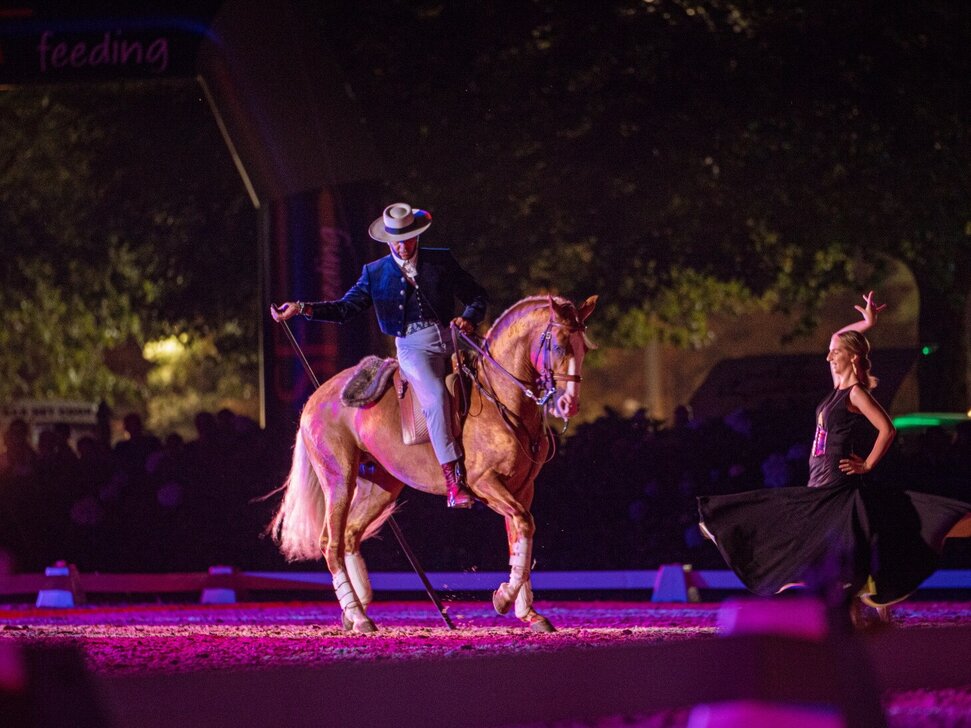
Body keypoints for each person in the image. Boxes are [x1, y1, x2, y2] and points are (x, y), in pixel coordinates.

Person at [697, 291, 971, 613]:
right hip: (819, 478)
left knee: (806, 528)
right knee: (812, 538)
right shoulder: (837, 387)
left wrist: (867, 464)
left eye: (836, 353)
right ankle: (857, 600)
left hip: (836, 483)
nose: (829, 357)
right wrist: (867, 323)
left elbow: (887, 429)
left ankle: (859, 604)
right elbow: (836, 337)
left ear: (852, 357)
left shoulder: (856, 394)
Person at [271, 202, 488, 508]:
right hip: (413, 346)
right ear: (388, 241)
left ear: (416, 236)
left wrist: (469, 317)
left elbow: (477, 295)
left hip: (451, 337)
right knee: (436, 395)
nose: (403, 246)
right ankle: (453, 481)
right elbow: (345, 308)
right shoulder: (375, 273)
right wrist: (303, 308)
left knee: (492, 378)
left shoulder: (440, 260)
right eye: (396, 241)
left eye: (408, 240)